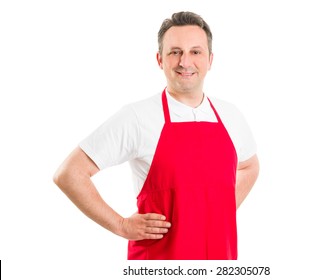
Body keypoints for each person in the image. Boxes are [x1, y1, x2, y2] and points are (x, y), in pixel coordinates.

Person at [53, 11, 259, 260]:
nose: (185, 62)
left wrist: (220, 211)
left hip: (218, 262)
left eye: (195, 52)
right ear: (160, 59)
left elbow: (249, 166)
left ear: (210, 59)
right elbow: (69, 174)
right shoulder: (137, 117)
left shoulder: (231, 115)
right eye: (175, 52)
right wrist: (121, 225)